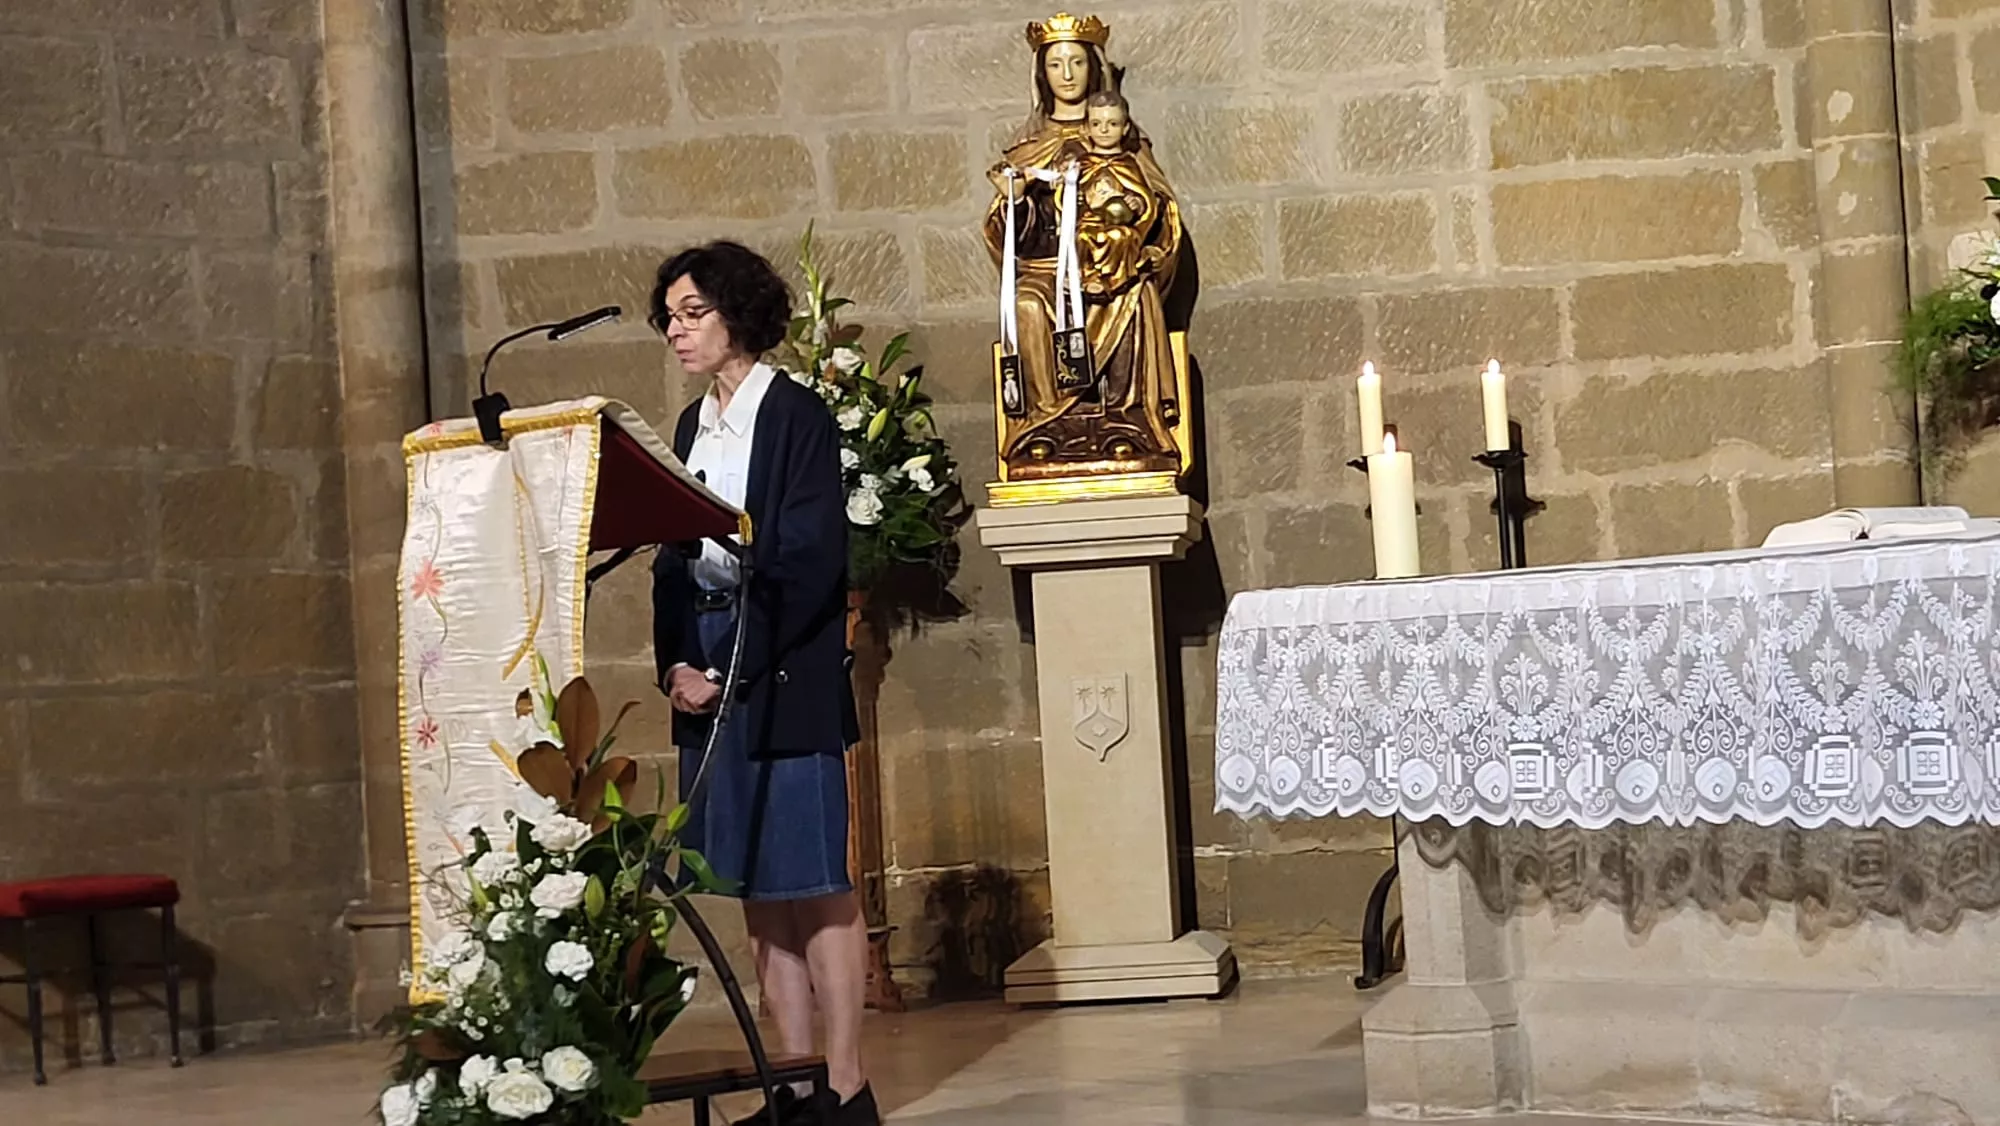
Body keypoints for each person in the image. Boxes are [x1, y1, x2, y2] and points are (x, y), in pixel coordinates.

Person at [647, 240, 877, 1126]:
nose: (677, 330)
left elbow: (810, 561)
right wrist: (675, 660)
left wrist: (728, 667)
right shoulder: (687, 429)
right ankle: (788, 1087)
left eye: (692, 313)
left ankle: (845, 1089)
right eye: (669, 317)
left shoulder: (797, 417)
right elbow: (673, 562)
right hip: (706, 670)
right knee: (756, 894)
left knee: (815, 888)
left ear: (739, 314)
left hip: (779, 670)